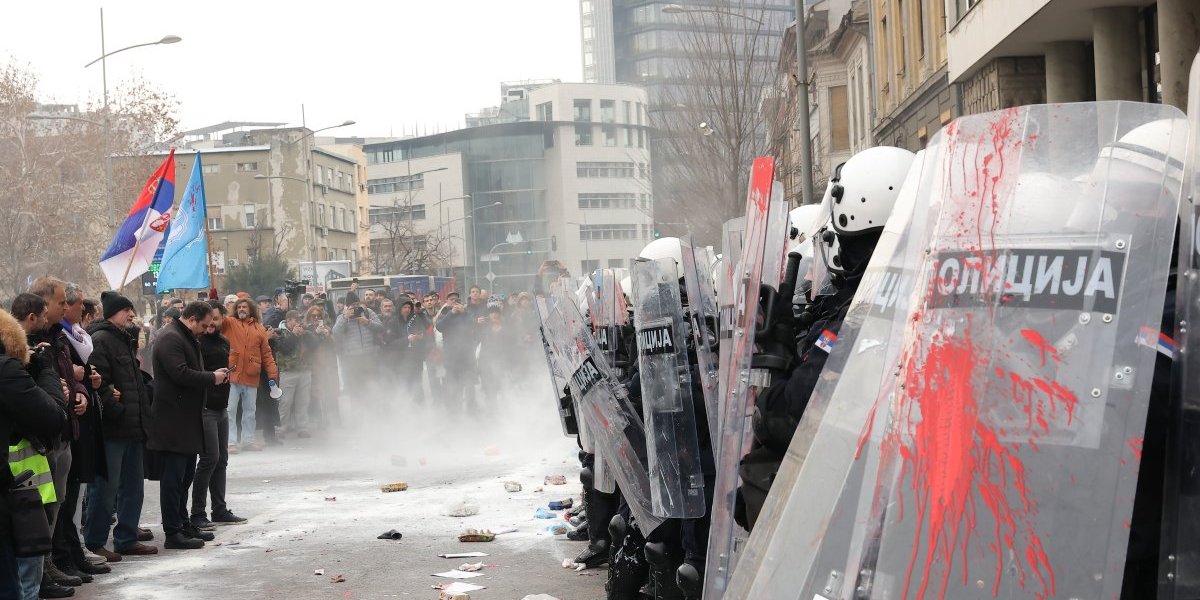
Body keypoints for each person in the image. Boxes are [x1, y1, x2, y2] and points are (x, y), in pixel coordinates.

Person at [0, 305, 69, 600]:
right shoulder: (7, 370)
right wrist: (46, 371)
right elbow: (53, 416)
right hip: (15, 488)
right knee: (18, 582)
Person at [83, 290, 157, 564]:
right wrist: (117, 411)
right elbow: (98, 382)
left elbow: (132, 382)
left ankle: (126, 537)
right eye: (127, 310)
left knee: (133, 487)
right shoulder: (101, 340)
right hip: (114, 429)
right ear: (113, 312)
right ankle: (95, 541)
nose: (132, 314)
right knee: (105, 488)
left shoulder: (123, 340)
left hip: (133, 428)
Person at [148, 301, 229, 550]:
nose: (206, 330)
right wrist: (212, 377)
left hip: (186, 419)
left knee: (184, 477)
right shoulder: (170, 338)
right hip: (173, 421)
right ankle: (173, 531)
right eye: (204, 325)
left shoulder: (184, 336)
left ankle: (183, 524)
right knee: (173, 479)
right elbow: (180, 373)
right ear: (192, 319)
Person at [27, 277, 88, 598]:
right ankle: (42, 571)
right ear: (43, 303)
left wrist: (79, 392)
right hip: (42, 437)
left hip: (64, 430)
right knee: (42, 508)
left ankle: (51, 564)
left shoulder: (58, 338)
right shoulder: (28, 341)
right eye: (61, 302)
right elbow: (32, 386)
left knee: (59, 503)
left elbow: (67, 375)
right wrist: (60, 390)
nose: (65, 307)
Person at [52, 286, 111, 584]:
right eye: (63, 303)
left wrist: (87, 382)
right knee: (62, 501)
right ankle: (64, 557)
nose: (71, 310)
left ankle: (72, 553)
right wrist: (74, 381)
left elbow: (74, 375)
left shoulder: (71, 336)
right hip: (63, 426)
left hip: (80, 420)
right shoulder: (55, 337)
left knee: (71, 495)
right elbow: (56, 376)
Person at [192, 302, 247, 530]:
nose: (212, 324)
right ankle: (197, 513)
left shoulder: (224, 342)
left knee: (221, 460)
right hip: (205, 409)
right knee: (209, 459)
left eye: (216, 319)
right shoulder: (196, 343)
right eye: (209, 320)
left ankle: (219, 508)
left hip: (221, 407)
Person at [222, 298, 278, 452]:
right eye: (238, 307)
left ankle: (248, 441)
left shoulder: (259, 329)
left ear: (250, 309)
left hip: (251, 375)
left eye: (244, 307)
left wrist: (273, 374)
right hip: (232, 374)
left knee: (250, 411)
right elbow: (218, 317)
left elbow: (266, 354)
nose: (241, 309)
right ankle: (231, 442)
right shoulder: (229, 323)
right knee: (230, 410)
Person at [332, 292, 383, 418]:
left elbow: (380, 327)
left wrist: (367, 322)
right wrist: (345, 317)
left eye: (356, 304)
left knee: (371, 387)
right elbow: (335, 333)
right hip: (352, 360)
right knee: (355, 389)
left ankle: (373, 415)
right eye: (352, 306)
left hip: (368, 357)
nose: (355, 308)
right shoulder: (343, 316)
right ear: (347, 306)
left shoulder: (368, 312)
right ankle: (357, 416)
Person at [274, 310, 316, 438]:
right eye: (296, 320)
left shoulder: (305, 331)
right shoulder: (279, 333)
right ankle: (281, 428)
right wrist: (293, 335)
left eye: (300, 320)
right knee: (285, 402)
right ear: (288, 321)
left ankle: (302, 427)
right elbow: (285, 349)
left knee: (303, 401)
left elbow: (315, 344)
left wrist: (306, 334)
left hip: (305, 370)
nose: (299, 322)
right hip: (288, 371)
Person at [435, 293, 480, 412]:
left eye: (456, 300)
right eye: (451, 300)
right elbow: (439, 327)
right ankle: (454, 412)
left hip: (467, 356)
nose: (454, 302)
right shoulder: (445, 314)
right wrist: (451, 313)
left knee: (469, 385)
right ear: (447, 301)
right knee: (454, 386)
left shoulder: (466, 313)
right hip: (451, 358)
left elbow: (473, 325)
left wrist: (464, 312)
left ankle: (472, 411)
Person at [302, 306, 336, 427]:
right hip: (311, 365)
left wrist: (328, 335)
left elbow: (335, 346)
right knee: (312, 394)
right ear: (309, 317)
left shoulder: (326, 328)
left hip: (326, 365)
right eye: (313, 316)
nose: (316, 318)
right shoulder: (305, 330)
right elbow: (305, 349)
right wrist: (315, 334)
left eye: (318, 316)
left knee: (327, 391)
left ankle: (327, 419)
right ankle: (313, 418)